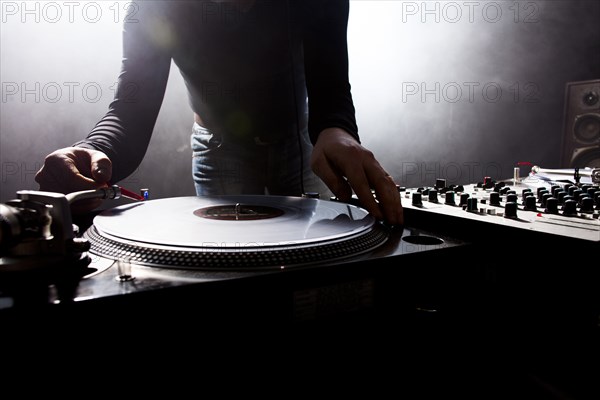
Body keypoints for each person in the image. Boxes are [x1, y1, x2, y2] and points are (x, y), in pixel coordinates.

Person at [34, 0, 403, 225]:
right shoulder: (153, 5)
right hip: (219, 149)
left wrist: (337, 130)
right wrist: (95, 149)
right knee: (232, 278)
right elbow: (132, 109)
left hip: (304, 145)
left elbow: (331, 87)